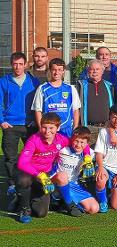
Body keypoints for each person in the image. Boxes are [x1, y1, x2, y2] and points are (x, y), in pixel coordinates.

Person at [15, 113, 69, 223]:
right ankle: (24, 208)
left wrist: (87, 156)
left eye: (51, 128)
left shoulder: (62, 139)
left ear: (58, 128)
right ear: (40, 126)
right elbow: (22, 163)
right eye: (44, 127)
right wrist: (39, 175)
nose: (47, 131)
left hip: (45, 176)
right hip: (29, 173)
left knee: (41, 213)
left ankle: (20, 197)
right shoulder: (34, 139)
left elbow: (79, 142)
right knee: (23, 181)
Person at [1, 52, 40, 202]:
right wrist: (1, 121)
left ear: (25, 64)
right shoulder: (4, 81)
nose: (17, 67)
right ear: (11, 65)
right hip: (10, 125)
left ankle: (32, 182)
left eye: (20, 64)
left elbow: (38, 103)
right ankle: (12, 184)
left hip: (29, 125)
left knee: (32, 156)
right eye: (15, 64)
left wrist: (35, 121)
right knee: (10, 158)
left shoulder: (34, 81)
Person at [53, 126, 99, 216]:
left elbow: (101, 156)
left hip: (73, 184)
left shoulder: (89, 153)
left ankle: (64, 202)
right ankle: (64, 201)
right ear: (72, 139)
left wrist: (95, 167)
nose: (78, 145)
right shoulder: (63, 149)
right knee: (62, 176)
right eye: (76, 141)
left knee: (94, 208)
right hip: (56, 181)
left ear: (87, 143)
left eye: (82, 142)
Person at [31, 58, 81, 138]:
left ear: (63, 71)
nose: (56, 72)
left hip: (67, 130)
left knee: (66, 151)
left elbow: (75, 109)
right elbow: (38, 110)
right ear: (50, 70)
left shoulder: (70, 88)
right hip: (49, 130)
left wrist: (75, 127)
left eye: (59, 70)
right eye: (54, 69)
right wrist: (41, 128)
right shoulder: (42, 88)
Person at [76, 59, 116, 145]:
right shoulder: (81, 86)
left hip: (106, 128)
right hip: (88, 128)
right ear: (88, 71)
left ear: (102, 71)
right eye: (92, 69)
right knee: (88, 157)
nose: (94, 71)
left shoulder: (110, 86)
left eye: (97, 69)